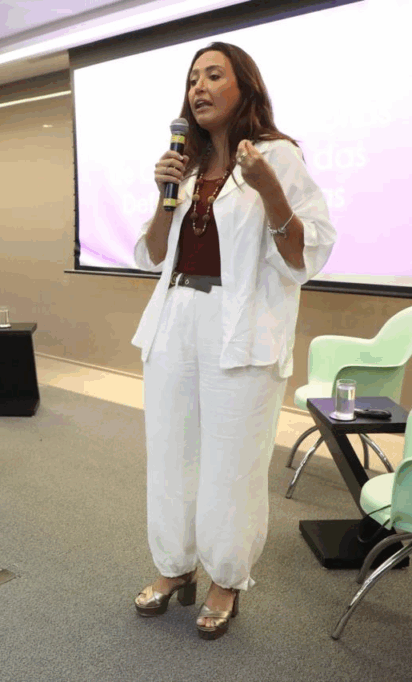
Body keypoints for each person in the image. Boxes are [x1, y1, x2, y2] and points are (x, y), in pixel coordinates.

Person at [130, 42, 337, 640]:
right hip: (176, 317)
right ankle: (175, 565)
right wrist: (163, 197)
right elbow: (153, 253)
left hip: (242, 325)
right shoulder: (187, 166)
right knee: (170, 452)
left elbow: (304, 256)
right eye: (192, 78)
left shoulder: (278, 156)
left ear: (245, 87)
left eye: (213, 75)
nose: (198, 87)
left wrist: (269, 188)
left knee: (232, 462)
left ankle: (226, 578)